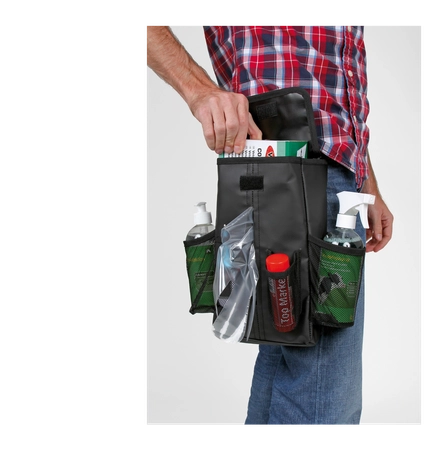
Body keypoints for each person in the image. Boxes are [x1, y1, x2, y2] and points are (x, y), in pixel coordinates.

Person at [145, 22, 394, 431]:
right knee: (326, 400)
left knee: (287, 347)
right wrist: (199, 90)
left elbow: (339, 91)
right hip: (290, 168)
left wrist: (366, 181)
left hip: (328, 174)